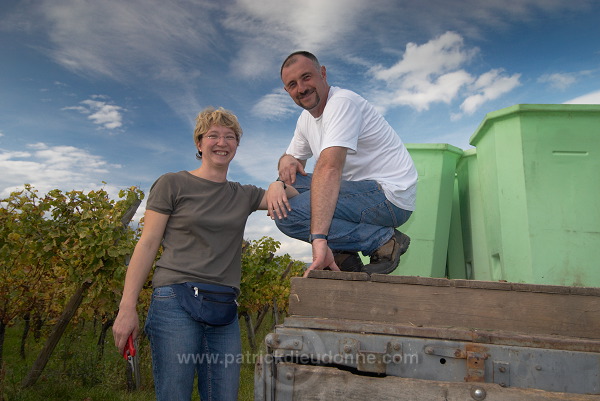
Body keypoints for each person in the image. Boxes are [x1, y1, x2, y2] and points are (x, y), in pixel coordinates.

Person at [112, 107, 297, 401]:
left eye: (230, 137)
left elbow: (295, 196)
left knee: (224, 395)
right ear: (199, 143)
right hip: (174, 300)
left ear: (236, 145)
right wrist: (127, 307)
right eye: (213, 135)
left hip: (222, 306)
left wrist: (277, 183)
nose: (221, 142)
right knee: (175, 395)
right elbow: (147, 244)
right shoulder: (172, 184)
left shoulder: (244, 194)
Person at [273, 51, 417, 276]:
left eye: (306, 77)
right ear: (286, 91)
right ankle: (344, 257)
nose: (301, 88)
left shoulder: (342, 103)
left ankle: (383, 241)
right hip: (359, 193)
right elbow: (291, 165)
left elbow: (329, 168)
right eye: (292, 84)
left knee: (288, 214)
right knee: (288, 193)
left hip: (390, 196)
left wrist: (319, 238)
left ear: (322, 73)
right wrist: (279, 180)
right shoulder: (305, 120)